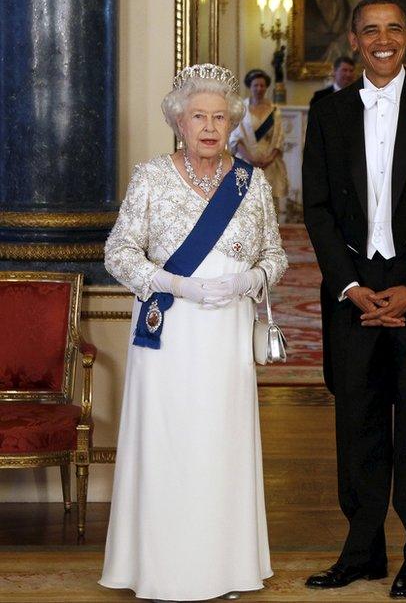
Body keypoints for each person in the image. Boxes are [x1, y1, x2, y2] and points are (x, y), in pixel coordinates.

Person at [301, 0, 406, 599]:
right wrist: (349, 287)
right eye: (369, 29)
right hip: (351, 292)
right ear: (354, 39)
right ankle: (363, 552)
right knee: (359, 429)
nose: (381, 39)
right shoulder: (327, 112)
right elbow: (316, 209)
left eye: (393, 29)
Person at [99, 63, 287, 601]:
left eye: (219, 116)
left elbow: (275, 256)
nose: (209, 126)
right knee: (170, 446)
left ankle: (222, 569)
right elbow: (118, 253)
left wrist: (250, 277)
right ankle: (161, 570)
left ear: (232, 123)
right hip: (170, 335)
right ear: (179, 122)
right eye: (198, 116)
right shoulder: (152, 177)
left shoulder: (250, 186)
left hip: (226, 336)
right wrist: (176, 286)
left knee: (218, 446)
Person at [230, 69, 289, 217]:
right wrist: (251, 159)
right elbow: (235, 138)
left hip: (269, 164)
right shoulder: (240, 110)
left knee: (269, 205)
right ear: (250, 86)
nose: (259, 89)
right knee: (246, 204)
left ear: (266, 87)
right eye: (256, 85)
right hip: (246, 162)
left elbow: (279, 138)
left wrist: (268, 160)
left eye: (262, 86)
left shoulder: (275, 111)